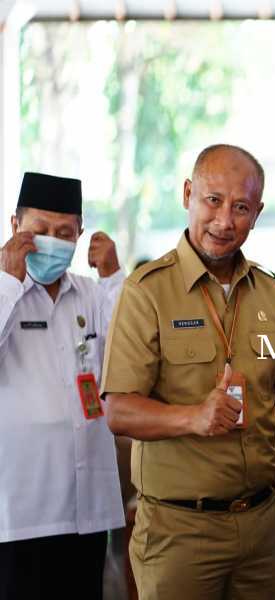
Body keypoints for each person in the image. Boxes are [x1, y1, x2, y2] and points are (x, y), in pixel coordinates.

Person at [100, 144, 275, 600]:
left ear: (257, 213)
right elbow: (118, 412)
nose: (224, 221)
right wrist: (193, 417)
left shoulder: (271, 293)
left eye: (241, 207)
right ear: (188, 194)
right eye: (213, 200)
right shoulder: (147, 293)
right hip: (180, 531)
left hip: (261, 526)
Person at [0, 172, 125, 600]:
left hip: (86, 509)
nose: (51, 242)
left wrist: (112, 276)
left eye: (64, 233)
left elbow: (130, 351)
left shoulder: (90, 294)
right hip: (21, 512)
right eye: (39, 231)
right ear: (15, 227)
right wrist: (8, 282)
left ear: (80, 235)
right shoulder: (3, 291)